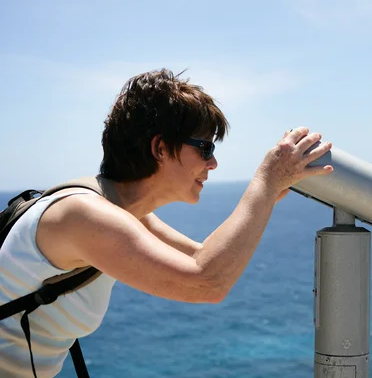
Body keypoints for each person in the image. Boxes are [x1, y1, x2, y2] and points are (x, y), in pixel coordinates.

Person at [0, 68, 333, 377]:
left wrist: (265, 195)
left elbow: (199, 257)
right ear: (160, 147)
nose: (214, 162)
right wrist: (266, 180)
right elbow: (207, 282)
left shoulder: (122, 209)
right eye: (205, 148)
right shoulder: (84, 215)